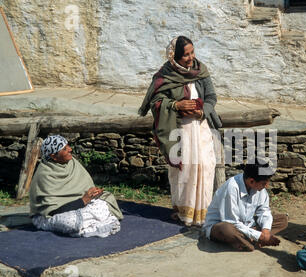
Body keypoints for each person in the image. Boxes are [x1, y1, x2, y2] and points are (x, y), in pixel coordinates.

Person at [138, 36, 222, 227]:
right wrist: (176, 104)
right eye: (185, 55)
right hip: (179, 129)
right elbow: (155, 102)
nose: (191, 57)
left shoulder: (201, 70)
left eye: (192, 52)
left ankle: (203, 213)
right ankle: (185, 214)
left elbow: (211, 97)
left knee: (205, 166)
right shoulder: (165, 75)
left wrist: (201, 111)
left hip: (200, 128)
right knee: (185, 170)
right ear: (174, 56)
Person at [29, 135, 123, 238]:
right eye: (65, 149)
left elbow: (85, 188)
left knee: (104, 202)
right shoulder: (45, 175)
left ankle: (89, 223)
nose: (70, 149)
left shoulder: (72, 163)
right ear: (53, 156)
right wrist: (83, 200)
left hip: (80, 206)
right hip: (51, 215)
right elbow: (54, 210)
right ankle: (93, 224)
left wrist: (93, 194)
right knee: (70, 221)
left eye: (68, 146)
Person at [203, 163, 288, 251]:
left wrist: (265, 230)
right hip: (224, 226)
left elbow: (264, 211)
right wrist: (259, 236)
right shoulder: (231, 187)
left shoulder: (259, 187)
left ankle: (243, 239)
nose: (266, 186)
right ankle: (248, 239)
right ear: (251, 181)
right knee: (226, 229)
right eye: (264, 183)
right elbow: (231, 221)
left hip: (246, 225)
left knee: (282, 220)